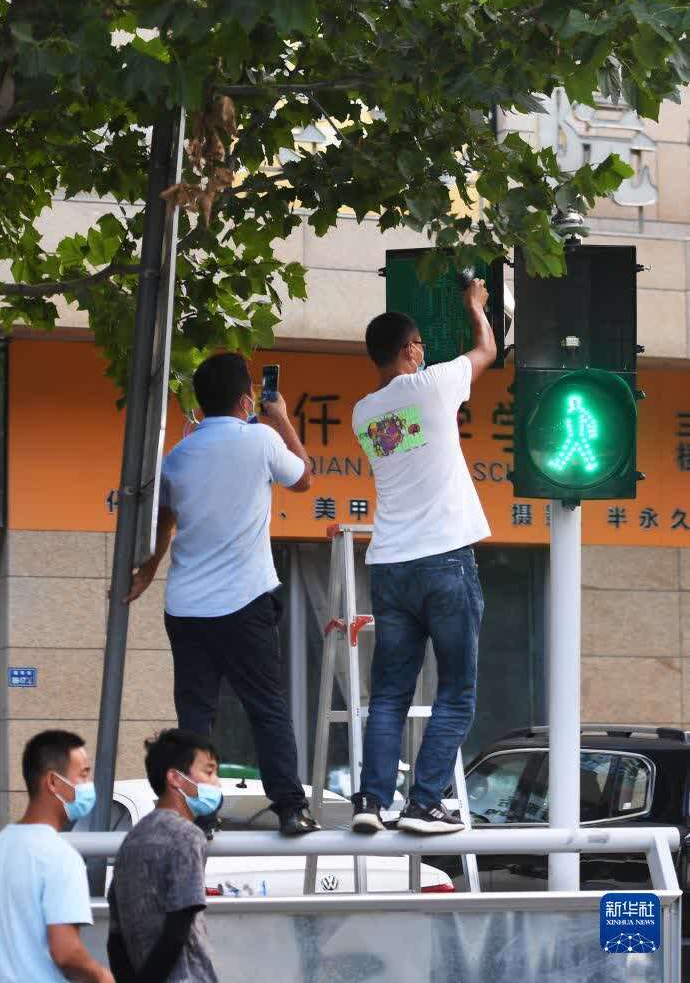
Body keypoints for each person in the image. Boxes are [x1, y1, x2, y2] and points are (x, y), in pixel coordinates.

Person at [126, 352, 320, 837]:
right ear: (246, 398)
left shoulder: (178, 456)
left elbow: (165, 523)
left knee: (195, 715)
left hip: (186, 607)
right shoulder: (261, 439)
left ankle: (201, 815)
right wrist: (281, 418)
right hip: (245, 602)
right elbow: (304, 478)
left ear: (201, 401)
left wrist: (147, 572)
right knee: (266, 707)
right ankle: (290, 808)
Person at [351, 279, 494, 835]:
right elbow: (486, 351)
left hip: (390, 564)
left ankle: (370, 802)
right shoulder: (434, 384)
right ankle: (425, 802)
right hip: (445, 561)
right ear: (412, 350)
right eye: (420, 347)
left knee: (389, 695)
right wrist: (476, 307)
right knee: (456, 691)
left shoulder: (364, 413)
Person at [0, 730, 112, 983]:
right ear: (53, 782)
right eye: (83, 774)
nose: (88, 785)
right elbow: (66, 952)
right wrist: (102, 976)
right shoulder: (61, 857)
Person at [107, 729, 221, 983]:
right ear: (175, 778)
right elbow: (179, 926)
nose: (217, 783)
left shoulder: (132, 840)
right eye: (209, 771)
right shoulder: (187, 835)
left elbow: (116, 937)